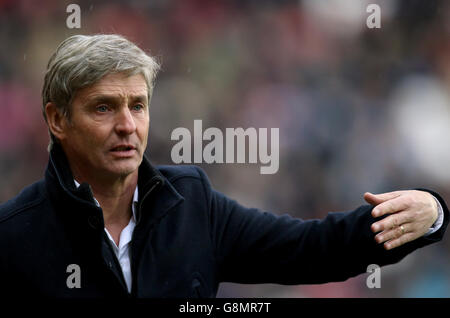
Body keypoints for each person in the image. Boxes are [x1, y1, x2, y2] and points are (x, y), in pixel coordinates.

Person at [0, 34, 447, 298]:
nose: (127, 125)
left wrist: (427, 215)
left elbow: (311, 248)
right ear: (58, 119)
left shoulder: (190, 201)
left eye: (138, 105)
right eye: (103, 108)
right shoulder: (14, 236)